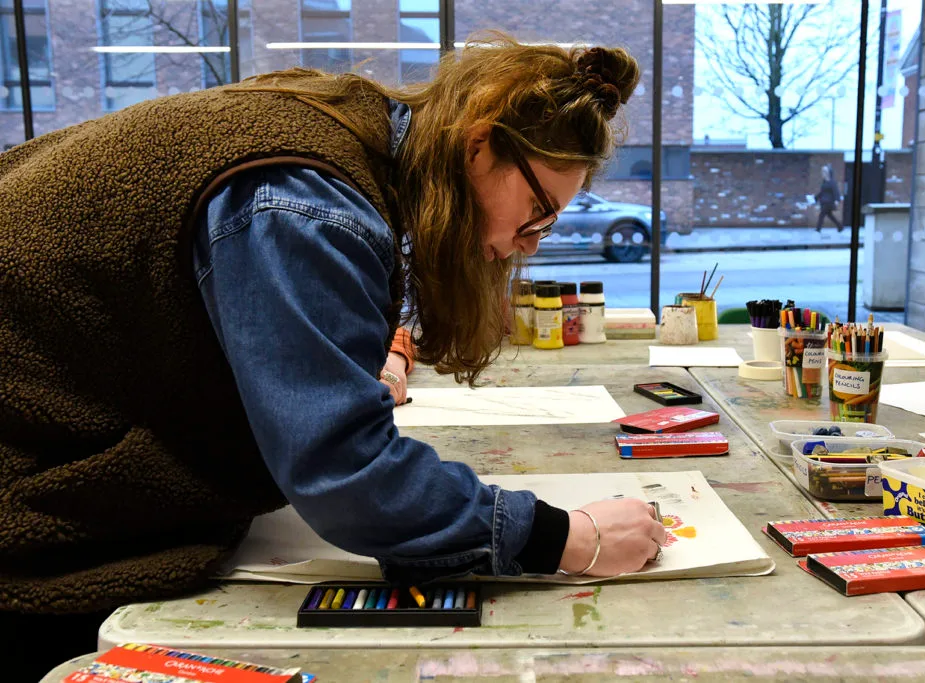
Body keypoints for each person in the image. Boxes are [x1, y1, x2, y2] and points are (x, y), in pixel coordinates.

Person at [0, 34, 666, 676]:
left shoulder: (349, 136)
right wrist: (566, 536)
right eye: (537, 213)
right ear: (480, 144)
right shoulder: (308, 202)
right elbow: (346, 468)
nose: (529, 244)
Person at [814, 164, 844, 232]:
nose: (823, 174)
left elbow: (836, 191)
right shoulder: (824, 183)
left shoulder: (832, 182)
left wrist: (837, 200)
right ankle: (840, 226)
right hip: (824, 202)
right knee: (830, 216)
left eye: (824, 172)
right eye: (822, 172)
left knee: (821, 215)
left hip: (829, 202)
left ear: (828, 173)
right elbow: (822, 192)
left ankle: (818, 229)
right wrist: (815, 198)